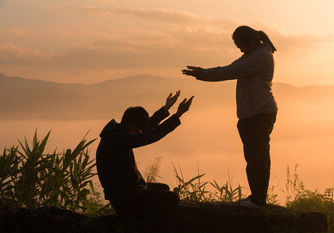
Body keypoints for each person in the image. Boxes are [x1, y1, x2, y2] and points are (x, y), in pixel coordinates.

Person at [182, 25, 278, 208]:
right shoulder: (251, 55)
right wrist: (203, 73)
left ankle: (258, 200)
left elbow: (230, 71)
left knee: (258, 158)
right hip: (253, 113)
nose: (240, 49)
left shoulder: (260, 57)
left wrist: (202, 74)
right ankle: (256, 197)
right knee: (253, 157)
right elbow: (230, 68)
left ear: (250, 42)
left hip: (259, 113)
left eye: (240, 45)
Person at [96, 90, 194, 215]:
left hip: (125, 190)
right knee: (172, 198)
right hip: (125, 198)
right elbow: (151, 135)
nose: (139, 131)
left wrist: (166, 108)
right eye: (138, 128)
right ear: (132, 124)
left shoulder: (117, 132)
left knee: (164, 188)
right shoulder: (119, 138)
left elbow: (146, 129)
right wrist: (178, 114)